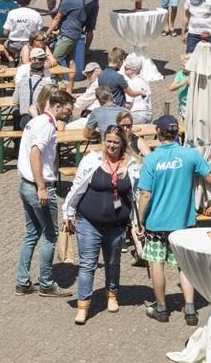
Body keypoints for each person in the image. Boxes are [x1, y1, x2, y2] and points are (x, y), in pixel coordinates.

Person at [137, 116, 211, 324]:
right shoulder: (190, 155)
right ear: (176, 133)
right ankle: (190, 309)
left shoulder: (152, 159)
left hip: (156, 222)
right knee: (184, 265)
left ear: (157, 131)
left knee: (157, 263)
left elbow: (145, 194)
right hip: (183, 222)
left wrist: (140, 220)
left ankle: (162, 308)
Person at [62, 126, 137, 324]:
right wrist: (67, 212)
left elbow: (137, 194)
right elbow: (77, 186)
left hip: (117, 224)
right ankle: (83, 305)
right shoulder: (91, 160)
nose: (111, 145)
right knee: (87, 264)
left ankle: (112, 294)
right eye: (108, 141)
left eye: (115, 142)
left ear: (122, 144)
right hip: (88, 221)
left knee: (113, 262)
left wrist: (138, 222)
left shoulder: (131, 164)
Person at [15, 90, 75, 298]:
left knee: (31, 233)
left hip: (25, 184)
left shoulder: (36, 121)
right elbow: (35, 155)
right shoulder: (46, 125)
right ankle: (47, 283)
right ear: (57, 106)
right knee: (50, 234)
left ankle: (22, 281)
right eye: (68, 110)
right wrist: (41, 187)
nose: (70, 114)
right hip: (37, 187)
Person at [45, 0, 84, 90]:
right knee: (71, 62)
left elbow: (57, 18)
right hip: (75, 34)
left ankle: (52, 89)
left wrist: (47, 33)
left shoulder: (68, 0)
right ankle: (69, 90)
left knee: (53, 61)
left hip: (67, 35)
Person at [123, 57, 152, 124]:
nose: (124, 70)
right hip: (148, 113)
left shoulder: (131, 83)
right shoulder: (145, 81)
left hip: (137, 114)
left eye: (126, 69)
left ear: (133, 70)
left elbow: (128, 104)